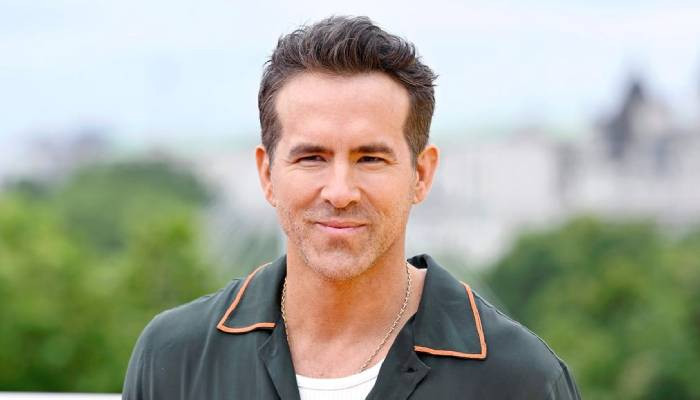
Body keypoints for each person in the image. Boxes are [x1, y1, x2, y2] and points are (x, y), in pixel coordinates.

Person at [122, 16, 581, 399]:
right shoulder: (175, 359)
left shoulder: (519, 379)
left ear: (421, 175)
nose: (340, 191)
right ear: (266, 174)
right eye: (312, 157)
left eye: (370, 158)